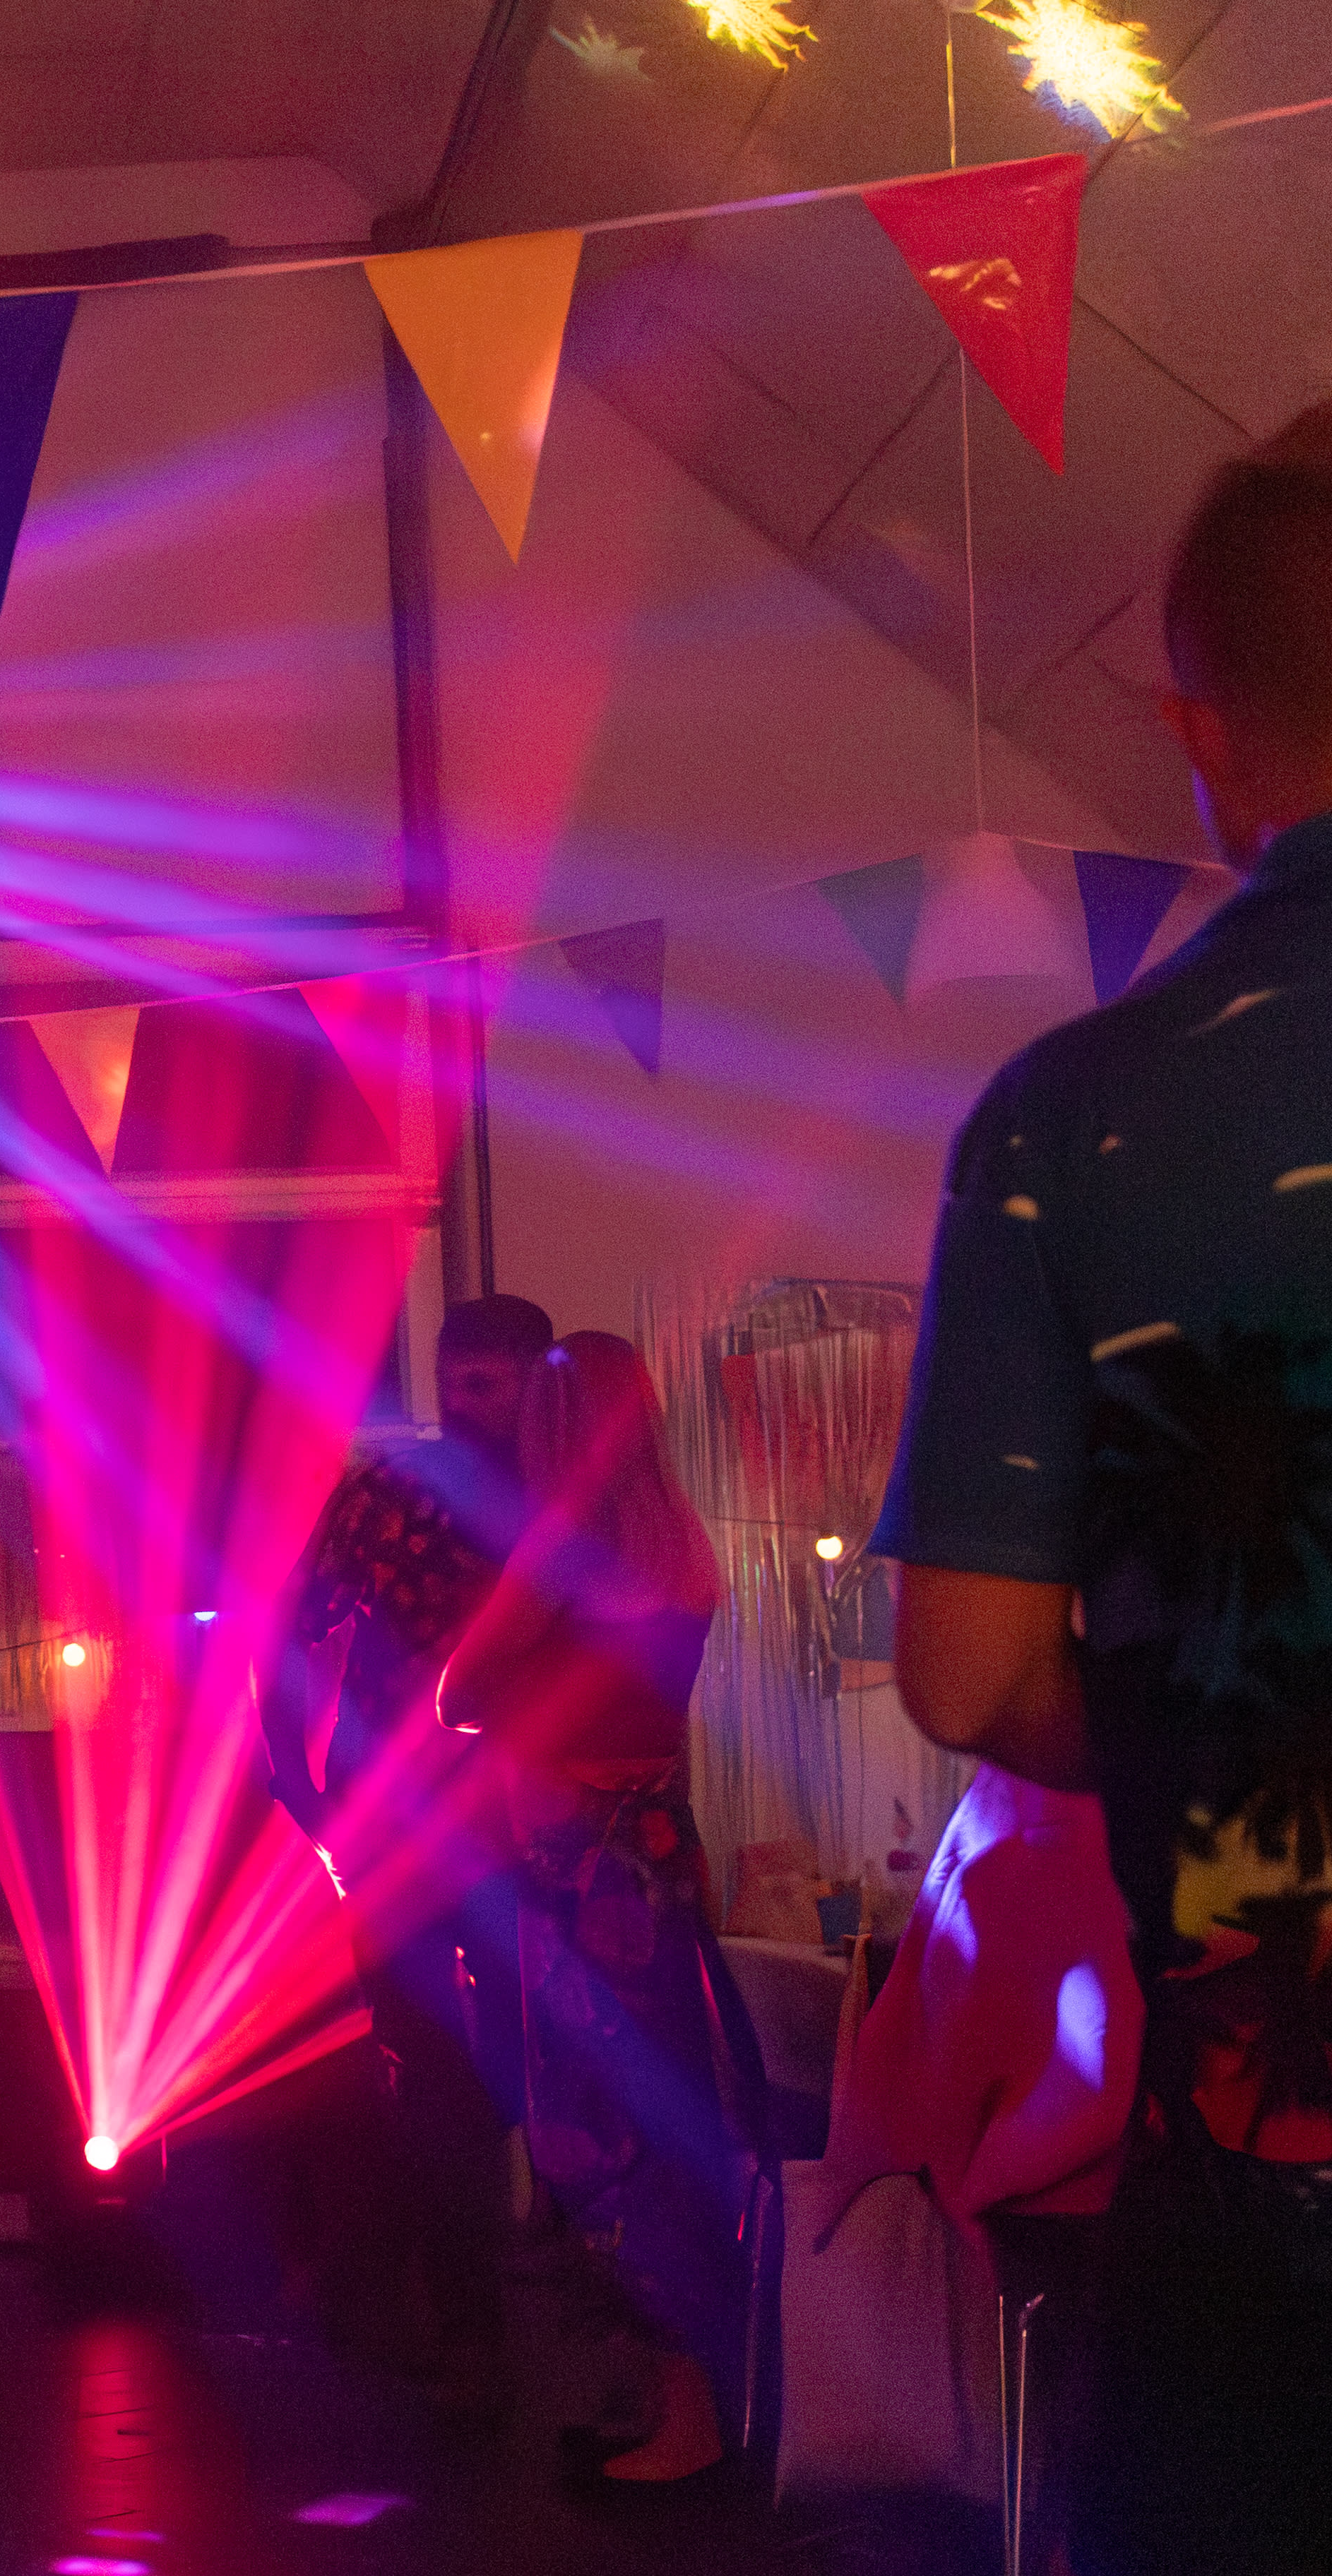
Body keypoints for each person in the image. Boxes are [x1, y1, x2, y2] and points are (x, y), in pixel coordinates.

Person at [876, 405, 1332, 2576]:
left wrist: (1200, 1713)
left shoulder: (1075, 1116)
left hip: (1274, 2166)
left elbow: (969, 1682)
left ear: (1200, 734)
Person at [438, 1332, 744, 2490]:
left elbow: (455, 1696)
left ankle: (682, 2422)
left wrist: (527, 1719)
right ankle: (675, 2399)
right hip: (658, 1861)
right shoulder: (687, 1554)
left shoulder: (559, 1557)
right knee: (670, 2127)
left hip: (578, 1880)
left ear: (556, 1430)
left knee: (598, 2142)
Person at [255, 1293, 553, 2398]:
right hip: (407, 1830)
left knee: (523, 2066)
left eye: (488, 1383)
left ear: (540, 1381)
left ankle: (447, 2292)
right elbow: (283, 1637)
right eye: (454, 1379)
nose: (463, 1402)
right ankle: (461, 2318)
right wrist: (299, 1784)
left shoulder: (568, 1501)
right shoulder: (393, 1493)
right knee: (431, 2070)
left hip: (535, 1826)